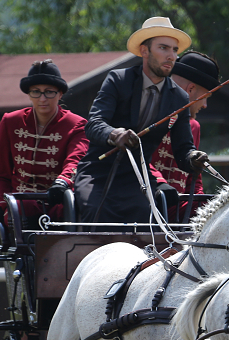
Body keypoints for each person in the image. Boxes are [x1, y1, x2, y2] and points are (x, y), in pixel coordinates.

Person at [74, 17, 210, 225]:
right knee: (97, 216)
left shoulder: (179, 98)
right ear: (144, 51)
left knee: (145, 225)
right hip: (98, 174)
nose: (171, 56)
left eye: (174, 50)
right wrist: (115, 134)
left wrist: (193, 157)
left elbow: (183, 148)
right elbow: (94, 124)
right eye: (163, 48)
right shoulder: (118, 80)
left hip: (138, 179)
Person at [0, 59, 89, 231]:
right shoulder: (10, 121)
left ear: (60, 94)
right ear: (29, 94)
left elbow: (76, 161)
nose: (42, 98)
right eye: (36, 92)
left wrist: (62, 183)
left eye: (49, 92)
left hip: (58, 205)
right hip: (18, 207)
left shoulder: (76, 125)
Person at [148, 50, 220, 222]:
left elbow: (194, 182)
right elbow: (135, 159)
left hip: (176, 211)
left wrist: (208, 206)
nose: (205, 105)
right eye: (205, 98)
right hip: (142, 203)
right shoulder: (148, 112)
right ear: (191, 89)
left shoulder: (194, 126)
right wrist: (159, 183)